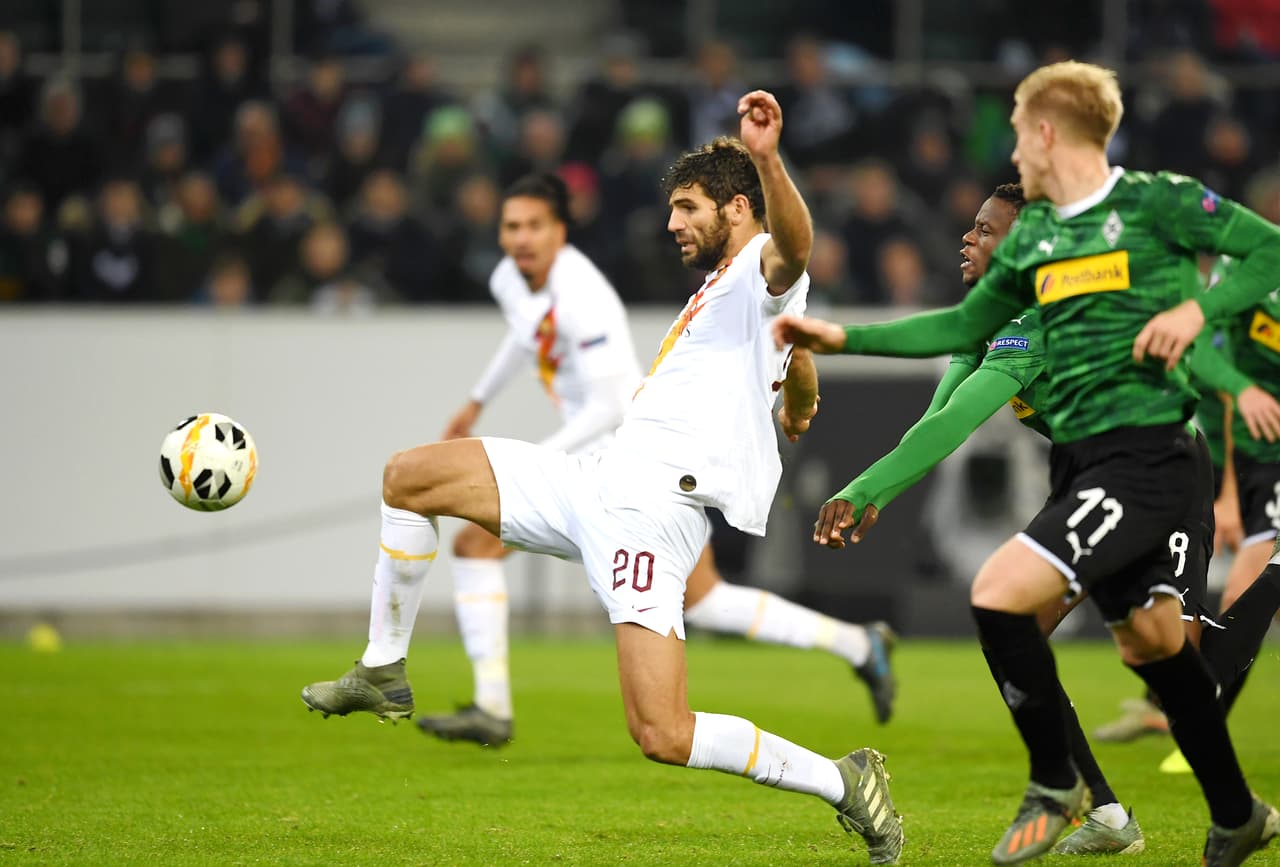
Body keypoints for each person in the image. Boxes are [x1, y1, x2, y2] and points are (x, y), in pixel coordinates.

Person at [301, 92, 905, 864]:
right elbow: (792, 351)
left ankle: (843, 780)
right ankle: (383, 665)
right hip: (592, 482)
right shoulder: (728, 289)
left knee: (662, 732)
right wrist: (799, 391)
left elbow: (795, 247)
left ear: (738, 207)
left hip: (653, 514)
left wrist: (769, 157)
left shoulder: (758, 262)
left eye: (686, 207)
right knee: (409, 475)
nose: (672, 223)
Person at [775, 61, 1280, 865]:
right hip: (1087, 468)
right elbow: (941, 412)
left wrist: (1194, 309)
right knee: (1135, 644)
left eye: (984, 229)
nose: (969, 238)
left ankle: (1066, 786)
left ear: (1048, 132)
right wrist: (854, 381)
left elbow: (1266, 253)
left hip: (1159, 460)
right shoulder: (1014, 286)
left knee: (1082, 623)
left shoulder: (1109, 244)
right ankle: (1163, 812)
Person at [415, 171, 896, 747]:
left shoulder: (586, 294)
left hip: (627, 453)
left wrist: (538, 459)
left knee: (474, 542)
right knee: (706, 600)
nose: (520, 239)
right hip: (636, 459)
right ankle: (857, 644)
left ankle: (492, 706)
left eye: (533, 226)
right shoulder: (510, 282)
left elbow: (612, 404)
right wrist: (476, 401)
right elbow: (522, 336)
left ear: (559, 232)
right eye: (510, 227)